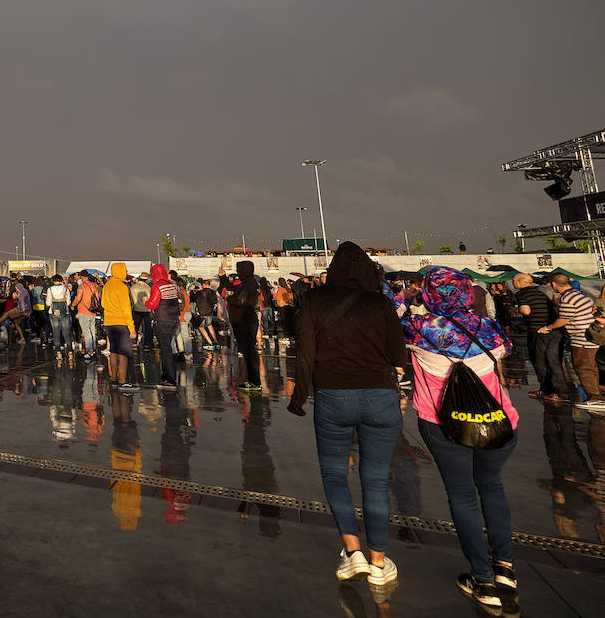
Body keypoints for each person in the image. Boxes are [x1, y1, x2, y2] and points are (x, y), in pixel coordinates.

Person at [288, 242, 405, 588]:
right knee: (376, 480)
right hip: (380, 396)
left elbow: (305, 353)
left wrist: (300, 396)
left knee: (335, 474)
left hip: (332, 396)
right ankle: (379, 562)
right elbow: (398, 354)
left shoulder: (313, 300)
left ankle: (352, 552)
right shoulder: (381, 303)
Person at [403, 266, 519, 608]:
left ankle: (482, 579)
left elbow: (385, 308)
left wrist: (408, 298)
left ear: (428, 294)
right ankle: (505, 569)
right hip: (498, 420)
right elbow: (505, 352)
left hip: (444, 424)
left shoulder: (420, 328)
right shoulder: (490, 328)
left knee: (463, 496)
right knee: (493, 488)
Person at [550, 273, 604, 410]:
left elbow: (564, 320)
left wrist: (547, 328)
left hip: (582, 339)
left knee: (583, 368)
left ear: (553, 284)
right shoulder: (579, 295)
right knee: (593, 368)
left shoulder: (567, 298)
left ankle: (595, 397)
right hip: (592, 336)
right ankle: (599, 395)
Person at [514, 273, 570, 402]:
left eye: (513, 280)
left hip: (537, 330)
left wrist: (518, 310)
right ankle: (555, 390)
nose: (512, 282)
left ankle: (549, 390)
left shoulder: (521, 294)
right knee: (553, 360)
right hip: (552, 329)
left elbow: (526, 311)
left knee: (539, 361)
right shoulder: (540, 292)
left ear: (519, 282)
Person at [222, 260, 263, 390]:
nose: (238, 272)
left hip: (244, 320)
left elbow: (240, 301)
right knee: (249, 351)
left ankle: (254, 382)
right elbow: (232, 289)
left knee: (249, 352)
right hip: (247, 319)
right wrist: (223, 278)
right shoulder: (250, 283)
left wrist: (229, 298)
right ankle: (252, 380)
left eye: (239, 269)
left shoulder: (248, 284)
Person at [144, 264, 182, 389]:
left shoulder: (157, 286)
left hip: (163, 320)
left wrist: (145, 301)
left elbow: (153, 305)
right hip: (174, 319)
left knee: (166, 350)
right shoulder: (173, 285)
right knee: (168, 348)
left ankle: (170, 380)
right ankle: (167, 376)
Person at [101, 263, 137, 391]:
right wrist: (132, 328)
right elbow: (127, 309)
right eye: (124, 270)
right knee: (123, 353)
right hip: (121, 323)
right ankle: (123, 382)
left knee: (114, 352)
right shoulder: (122, 287)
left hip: (109, 323)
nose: (125, 271)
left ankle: (114, 379)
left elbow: (103, 304)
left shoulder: (106, 286)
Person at [45, 275, 73, 363]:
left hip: (54, 313)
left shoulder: (50, 289)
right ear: (61, 280)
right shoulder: (66, 289)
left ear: (53, 281)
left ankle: (58, 353)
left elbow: (48, 303)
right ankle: (70, 352)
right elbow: (68, 302)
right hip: (65, 313)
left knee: (56, 333)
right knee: (66, 333)